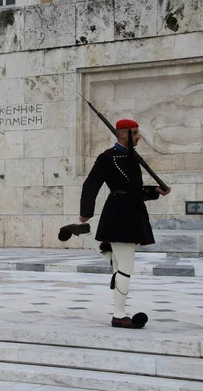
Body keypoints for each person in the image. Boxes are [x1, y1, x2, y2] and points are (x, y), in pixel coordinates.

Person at [59, 119, 171, 329]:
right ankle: (119, 316)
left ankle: (84, 234)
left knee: (118, 263)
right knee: (125, 266)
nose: (138, 136)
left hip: (129, 211)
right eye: (135, 132)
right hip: (121, 214)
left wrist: (155, 191)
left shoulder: (130, 157)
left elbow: (133, 190)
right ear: (122, 134)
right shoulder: (107, 158)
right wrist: (85, 213)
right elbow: (91, 184)